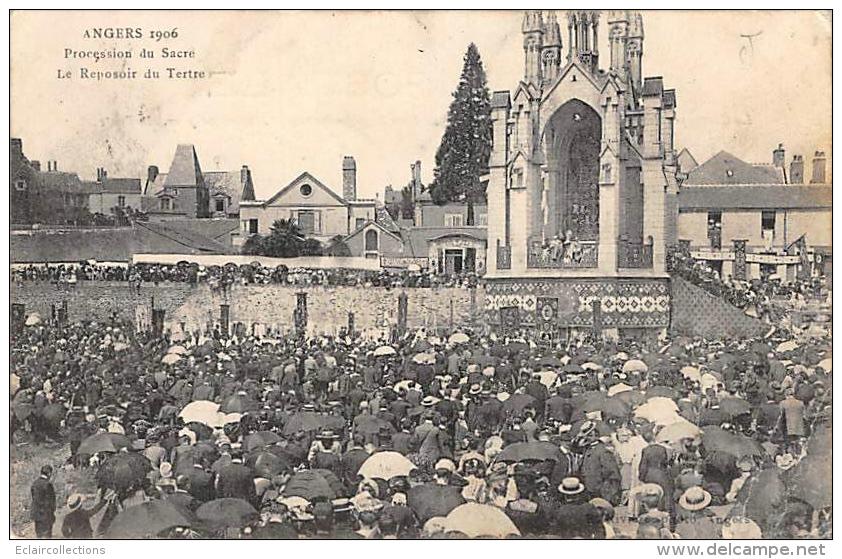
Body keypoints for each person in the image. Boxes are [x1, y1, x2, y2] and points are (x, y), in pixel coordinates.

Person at [30, 465, 56, 538]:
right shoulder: (48, 484)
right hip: (46, 514)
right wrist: (52, 512)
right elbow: (51, 501)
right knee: (47, 536)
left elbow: (33, 497)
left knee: (39, 535)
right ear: (49, 473)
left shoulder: (34, 483)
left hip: (36, 514)